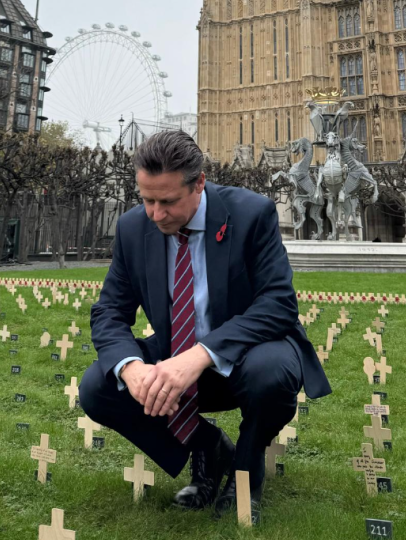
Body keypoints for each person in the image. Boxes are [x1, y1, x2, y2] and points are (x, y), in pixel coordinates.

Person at [80, 131, 331, 520]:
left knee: (272, 372)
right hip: (172, 359)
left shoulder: (251, 214)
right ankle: (211, 449)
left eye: (168, 201)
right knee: (97, 387)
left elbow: (278, 303)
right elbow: (109, 312)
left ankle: (246, 473)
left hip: (245, 359)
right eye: (147, 200)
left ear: (199, 183)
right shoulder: (133, 229)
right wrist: (131, 368)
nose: (156, 214)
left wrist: (201, 354)